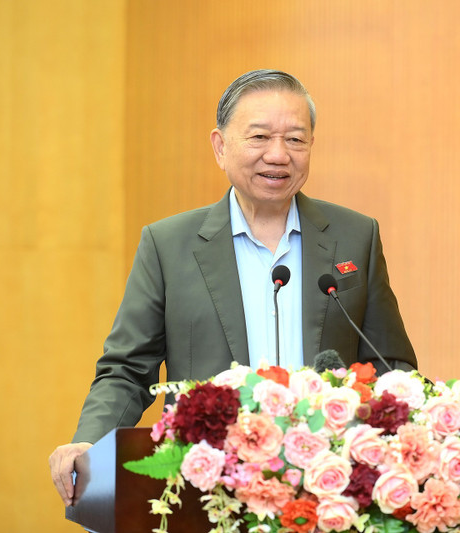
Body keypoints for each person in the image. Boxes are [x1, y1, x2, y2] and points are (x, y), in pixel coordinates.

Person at [49, 69, 416, 506]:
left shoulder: (355, 236)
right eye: (259, 137)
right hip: (210, 491)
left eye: (296, 139)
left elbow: (391, 366)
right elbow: (127, 370)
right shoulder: (168, 245)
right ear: (220, 147)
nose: (278, 155)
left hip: (327, 490)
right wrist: (89, 442)